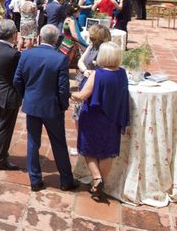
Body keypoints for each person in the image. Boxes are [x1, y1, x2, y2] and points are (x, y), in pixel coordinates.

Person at [13, 24, 78, 192]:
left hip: (33, 104)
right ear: (57, 40)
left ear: (40, 37)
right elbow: (63, 88)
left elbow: (17, 80)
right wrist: (63, 105)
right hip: (52, 107)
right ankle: (66, 180)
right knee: (59, 143)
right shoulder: (59, 58)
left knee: (33, 143)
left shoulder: (26, 54)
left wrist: (26, 97)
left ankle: (35, 179)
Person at [71, 42, 129, 198]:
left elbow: (82, 96)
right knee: (107, 152)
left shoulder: (98, 74)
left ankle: (97, 179)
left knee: (87, 147)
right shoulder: (122, 73)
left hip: (93, 117)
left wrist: (68, 94)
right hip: (112, 118)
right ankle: (100, 186)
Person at [70, 24, 111, 156]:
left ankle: (89, 145)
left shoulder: (105, 51)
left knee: (90, 114)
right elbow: (80, 61)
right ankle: (80, 144)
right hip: (85, 80)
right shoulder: (91, 47)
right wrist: (84, 70)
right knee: (78, 114)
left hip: (96, 84)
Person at [0, 19, 21, 170]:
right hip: (8, 95)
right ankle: (0, 159)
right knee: (5, 128)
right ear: (13, 35)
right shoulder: (14, 54)